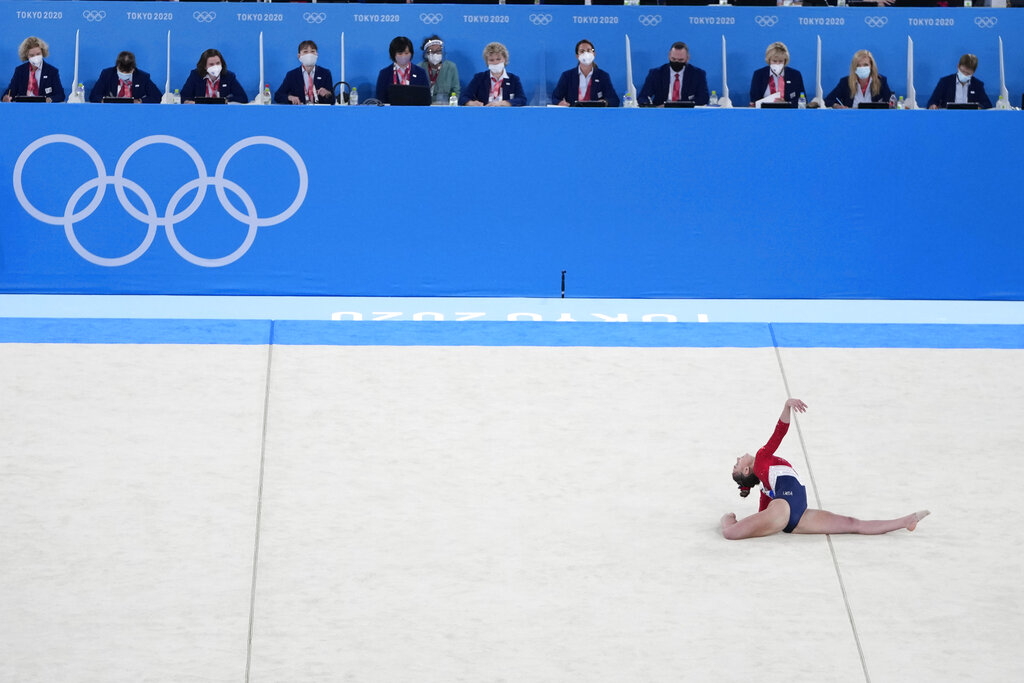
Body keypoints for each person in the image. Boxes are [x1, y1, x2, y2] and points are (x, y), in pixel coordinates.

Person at [721, 398, 930, 540]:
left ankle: (906, 521)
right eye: (737, 464)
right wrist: (786, 406)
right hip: (786, 509)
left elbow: (762, 517)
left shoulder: (767, 488)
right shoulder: (762, 459)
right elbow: (779, 433)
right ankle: (726, 522)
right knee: (731, 533)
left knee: (852, 524)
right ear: (747, 471)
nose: (738, 458)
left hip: (799, 517)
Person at [551, 39, 620, 108]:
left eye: (589, 50)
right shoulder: (567, 76)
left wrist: (605, 103)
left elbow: (614, 100)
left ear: (594, 54)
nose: (586, 54)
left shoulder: (603, 76)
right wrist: (560, 102)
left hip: (596, 115)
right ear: (577, 56)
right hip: (573, 114)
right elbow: (555, 98)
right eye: (582, 51)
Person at [638, 41, 709, 107]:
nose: (676, 62)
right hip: (661, 112)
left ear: (687, 58)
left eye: (681, 60)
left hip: (687, 113)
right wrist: (651, 107)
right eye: (673, 59)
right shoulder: (656, 73)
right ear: (669, 56)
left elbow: (703, 98)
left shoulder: (698, 74)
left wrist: (676, 105)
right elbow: (643, 97)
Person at [459, 42, 526, 107]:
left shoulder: (513, 79)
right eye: (491, 60)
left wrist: (504, 103)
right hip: (483, 114)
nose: (495, 62)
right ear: (487, 62)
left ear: (505, 59)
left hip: (506, 114)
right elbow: (463, 98)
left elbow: (522, 99)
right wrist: (471, 103)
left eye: (498, 59)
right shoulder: (479, 78)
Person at [2, 36, 65, 103]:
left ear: (42, 53)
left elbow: (60, 95)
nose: (36, 57)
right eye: (32, 55)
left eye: (38, 54)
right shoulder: (20, 71)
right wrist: (5, 98)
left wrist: (49, 99)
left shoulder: (52, 71)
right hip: (23, 108)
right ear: (26, 56)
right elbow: (10, 92)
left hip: (44, 109)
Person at [824, 50, 892, 109]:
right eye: (858, 65)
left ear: (871, 66)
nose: (862, 68)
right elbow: (828, 100)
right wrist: (837, 106)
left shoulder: (881, 81)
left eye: (865, 65)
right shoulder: (845, 82)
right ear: (854, 67)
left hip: (875, 119)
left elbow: (891, 103)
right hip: (852, 119)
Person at [275, 40, 335, 105]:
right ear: (299, 56)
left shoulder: (325, 73)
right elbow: (278, 96)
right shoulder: (292, 75)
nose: (309, 55)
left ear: (316, 55)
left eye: (312, 51)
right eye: (305, 52)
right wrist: (290, 97)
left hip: (319, 112)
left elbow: (333, 100)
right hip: (299, 112)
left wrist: (327, 94)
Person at [88, 51, 161, 103]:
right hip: (111, 111)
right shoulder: (107, 74)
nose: (124, 74)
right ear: (117, 66)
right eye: (122, 71)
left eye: (128, 72)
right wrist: (104, 100)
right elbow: (94, 95)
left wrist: (140, 101)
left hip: (135, 112)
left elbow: (157, 97)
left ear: (133, 68)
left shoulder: (143, 77)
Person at [748, 42, 805, 108]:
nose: (777, 64)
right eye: (774, 61)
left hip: (788, 113)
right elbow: (754, 100)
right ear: (769, 60)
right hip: (764, 113)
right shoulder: (759, 75)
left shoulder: (795, 75)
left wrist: (785, 103)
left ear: (785, 61)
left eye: (780, 61)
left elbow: (802, 100)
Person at [180, 49, 248, 103]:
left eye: (218, 63)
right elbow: (184, 96)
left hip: (222, 112)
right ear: (204, 66)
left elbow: (243, 98)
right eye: (211, 64)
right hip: (200, 111)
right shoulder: (195, 75)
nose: (215, 67)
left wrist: (226, 101)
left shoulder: (229, 76)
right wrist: (190, 102)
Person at [375, 36, 430, 104]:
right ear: (393, 54)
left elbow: (426, 99)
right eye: (400, 53)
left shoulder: (420, 72)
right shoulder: (384, 74)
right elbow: (380, 100)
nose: (404, 56)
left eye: (406, 53)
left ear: (411, 53)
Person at [927, 54, 992, 109]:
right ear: (958, 66)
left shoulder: (978, 85)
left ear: (973, 72)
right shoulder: (945, 82)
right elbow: (932, 101)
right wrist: (933, 105)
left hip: (971, 118)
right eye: (963, 71)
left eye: (968, 73)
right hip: (948, 118)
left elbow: (987, 105)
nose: (965, 75)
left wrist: (979, 108)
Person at [419, 35, 460, 104]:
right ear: (426, 54)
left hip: (446, 106)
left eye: (438, 51)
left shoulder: (451, 67)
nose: (435, 54)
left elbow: (456, 90)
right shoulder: (420, 68)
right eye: (431, 51)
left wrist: (451, 105)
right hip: (425, 106)